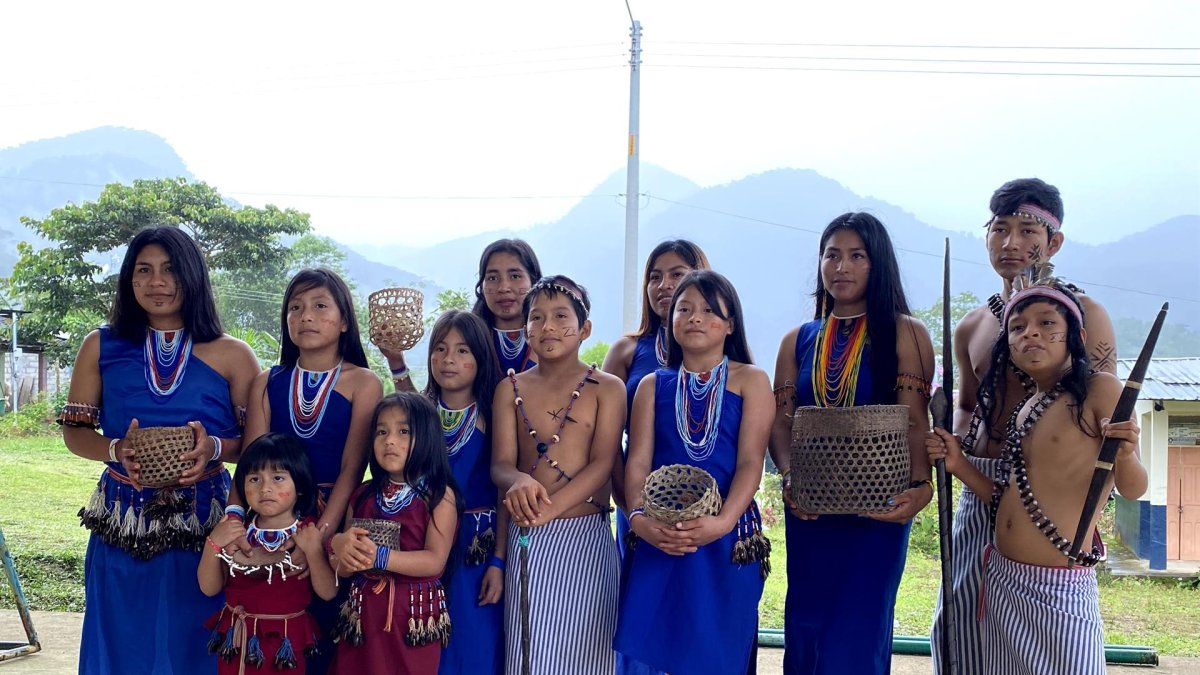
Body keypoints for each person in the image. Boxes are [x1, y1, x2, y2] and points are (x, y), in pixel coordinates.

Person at [932, 178, 1118, 673]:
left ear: (1053, 242)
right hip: (976, 483)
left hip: (1049, 496)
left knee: (1049, 636)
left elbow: (1106, 418)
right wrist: (956, 453)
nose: (1011, 243)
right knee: (962, 617)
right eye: (1000, 229)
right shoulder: (973, 324)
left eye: (1027, 229)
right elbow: (967, 406)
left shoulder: (1084, 316)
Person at [59, 225, 259, 674]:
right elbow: (75, 433)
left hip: (205, 527)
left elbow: (255, 447)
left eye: (171, 270)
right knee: (120, 634)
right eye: (143, 270)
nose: (157, 283)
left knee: (198, 635)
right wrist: (115, 447)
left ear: (192, 277)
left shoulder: (234, 354)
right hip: (121, 522)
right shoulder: (100, 345)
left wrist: (212, 448)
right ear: (129, 279)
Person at [767, 212, 935, 675]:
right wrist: (789, 478)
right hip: (810, 510)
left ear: (877, 264)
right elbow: (781, 423)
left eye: (856, 256)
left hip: (878, 511)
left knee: (857, 635)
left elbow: (915, 421)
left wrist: (922, 487)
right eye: (832, 255)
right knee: (806, 626)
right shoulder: (797, 340)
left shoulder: (906, 333)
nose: (841, 267)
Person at [614, 270, 772, 674]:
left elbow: (751, 461)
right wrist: (639, 519)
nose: (694, 318)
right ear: (670, 321)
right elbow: (638, 461)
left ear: (731, 323)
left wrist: (721, 522)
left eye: (708, 310)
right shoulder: (652, 385)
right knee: (652, 650)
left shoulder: (752, 381)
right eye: (684, 309)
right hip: (660, 535)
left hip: (725, 537)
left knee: (717, 652)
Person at [240, 268, 382, 674]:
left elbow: (353, 468)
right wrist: (239, 522)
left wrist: (319, 538)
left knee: (324, 630)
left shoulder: (364, 383)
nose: (306, 316)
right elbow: (252, 462)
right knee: (271, 626)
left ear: (343, 321)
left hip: (334, 519)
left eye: (320, 306)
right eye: (296, 308)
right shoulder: (267, 381)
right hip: (272, 517)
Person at [491, 276, 625, 674]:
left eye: (560, 316)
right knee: (530, 652)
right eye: (537, 318)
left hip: (587, 536)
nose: (547, 327)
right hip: (528, 538)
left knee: (590, 651)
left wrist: (549, 511)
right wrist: (516, 480)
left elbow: (603, 463)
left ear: (584, 329)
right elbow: (500, 463)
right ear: (525, 330)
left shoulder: (608, 388)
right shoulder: (508, 388)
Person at [329, 392, 460, 674]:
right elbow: (342, 566)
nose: (390, 440)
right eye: (381, 431)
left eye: (404, 431)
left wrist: (379, 557)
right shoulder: (362, 494)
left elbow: (435, 561)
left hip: (411, 619)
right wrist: (339, 547)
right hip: (363, 617)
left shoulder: (438, 496)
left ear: (427, 437)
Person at [601, 239, 711, 560]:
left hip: (708, 505)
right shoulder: (626, 351)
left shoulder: (723, 355)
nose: (664, 286)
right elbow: (606, 442)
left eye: (677, 274)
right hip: (640, 504)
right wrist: (633, 509)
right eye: (654, 277)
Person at [198, 432, 337, 675]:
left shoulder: (308, 533)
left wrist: (314, 551)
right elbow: (209, 588)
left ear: (300, 486)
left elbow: (327, 592)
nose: (265, 488)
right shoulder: (235, 531)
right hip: (237, 640)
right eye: (254, 479)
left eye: (278, 478)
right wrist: (213, 544)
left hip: (285, 644)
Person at [424, 310, 505, 674]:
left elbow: (505, 496)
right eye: (440, 349)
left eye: (462, 351)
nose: (448, 360)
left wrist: (499, 562)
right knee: (425, 641)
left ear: (481, 357)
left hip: (476, 549)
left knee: (473, 647)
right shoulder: (419, 415)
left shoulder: (495, 414)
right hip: (422, 544)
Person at [381, 239, 542, 389]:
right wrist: (396, 362)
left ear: (533, 281)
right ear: (482, 285)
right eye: (492, 277)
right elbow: (424, 413)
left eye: (515, 276)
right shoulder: (463, 337)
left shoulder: (550, 339)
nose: (503, 287)